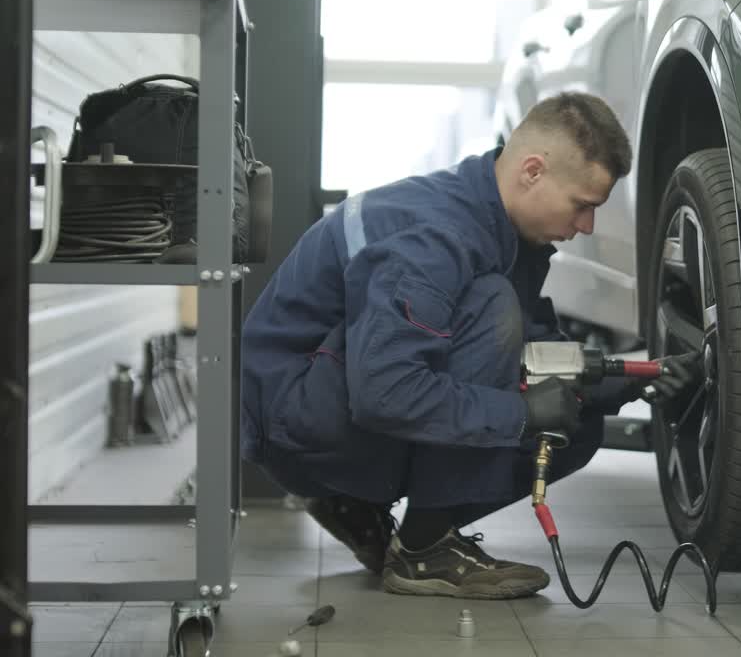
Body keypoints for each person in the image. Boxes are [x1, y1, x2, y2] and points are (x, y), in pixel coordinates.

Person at [239, 92, 700, 600]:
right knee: (495, 311)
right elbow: (385, 391)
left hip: (330, 396)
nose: (586, 225)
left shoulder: (497, 225)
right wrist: (520, 413)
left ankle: (353, 503)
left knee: (573, 425)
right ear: (532, 171)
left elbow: (533, 350)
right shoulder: (435, 238)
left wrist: (633, 380)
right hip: (295, 417)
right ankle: (424, 548)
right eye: (582, 205)